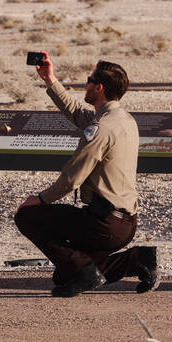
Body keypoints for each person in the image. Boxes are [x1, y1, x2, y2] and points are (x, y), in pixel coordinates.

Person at [14, 54, 159, 297]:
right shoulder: (121, 119)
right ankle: (137, 259)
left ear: (99, 87)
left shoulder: (101, 128)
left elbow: (73, 179)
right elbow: (75, 112)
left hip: (104, 224)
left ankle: (85, 271)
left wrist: (40, 199)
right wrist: (50, 79)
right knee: (64, 275)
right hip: (123, 222)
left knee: (27, 217)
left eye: (89, 80)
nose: (86, 84)